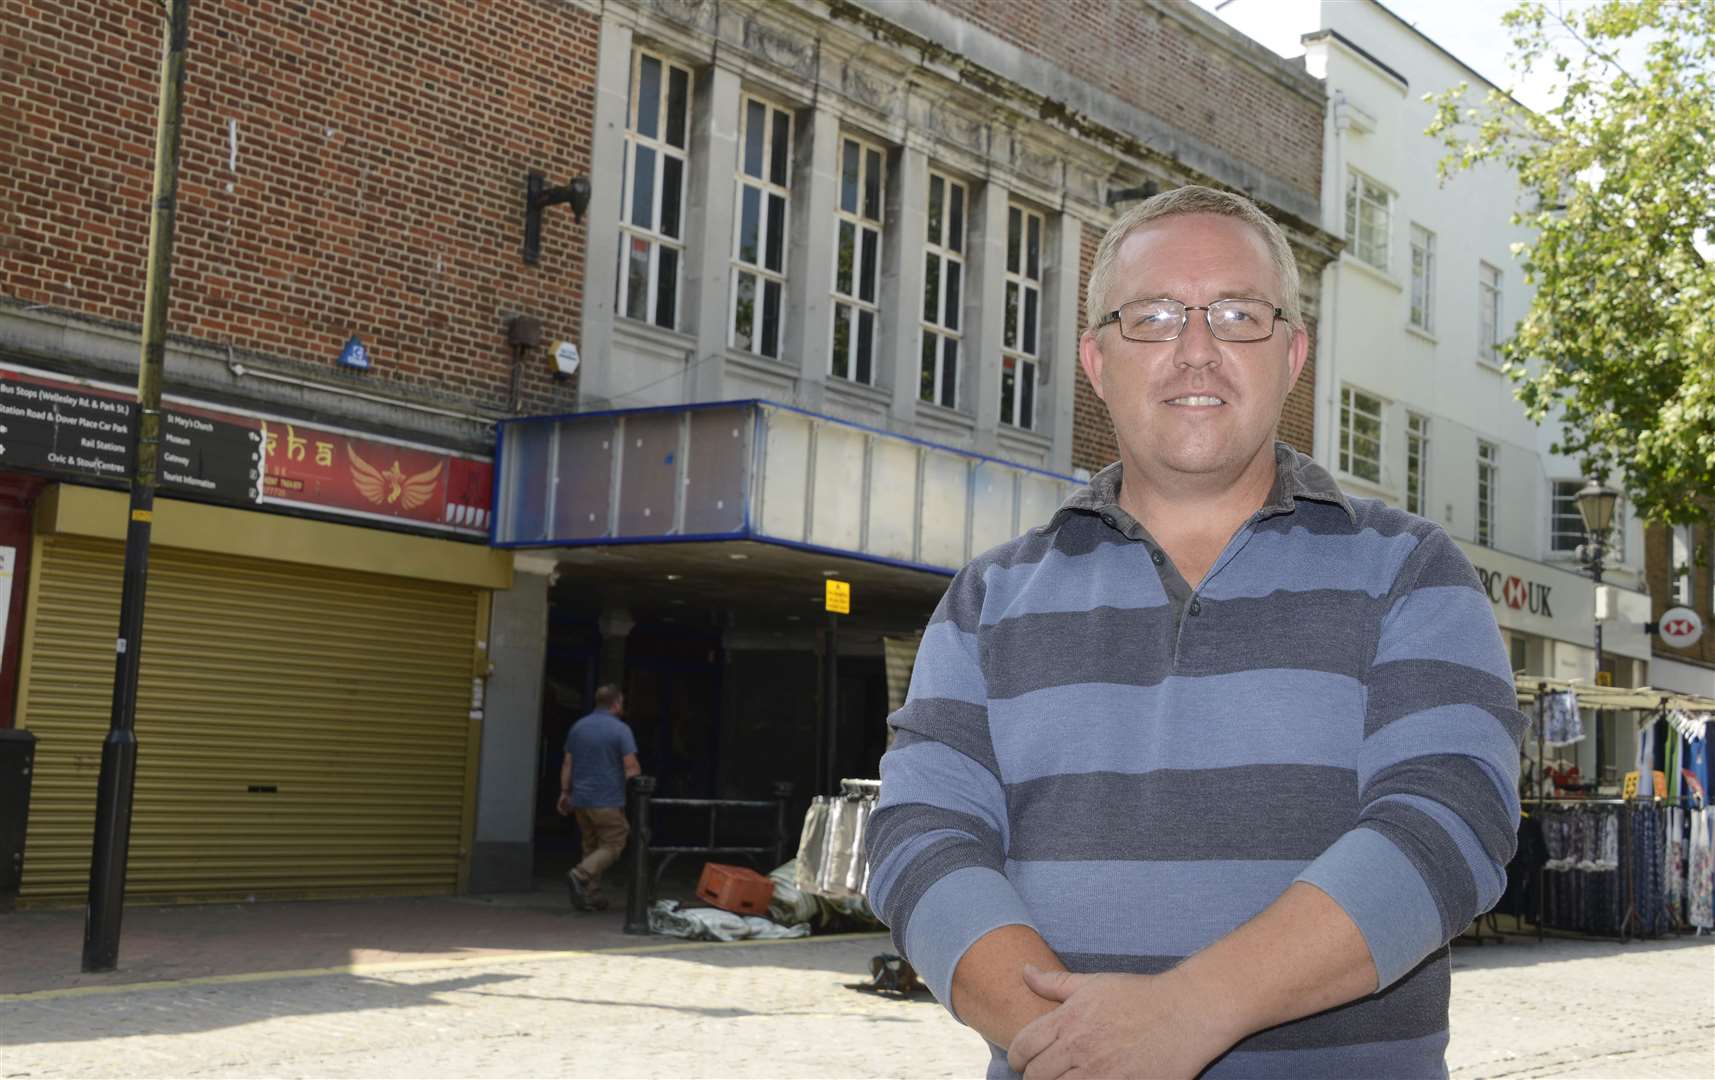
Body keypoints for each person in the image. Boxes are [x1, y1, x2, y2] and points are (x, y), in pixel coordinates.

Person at [865, 185, 1522, 1079]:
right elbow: (919, 839)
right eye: (1155, 316)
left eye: (1237, 314)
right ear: (1096, 360)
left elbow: (1449, 822)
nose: (1196, 350)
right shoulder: (989, 596)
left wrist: (1185, 1015)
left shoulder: (1410, 571)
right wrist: (1079, 1050)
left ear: (1292, 355)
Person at [557, 684, 641, 911]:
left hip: (580, 801)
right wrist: (629, 780)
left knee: (591, 846)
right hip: (607, 800)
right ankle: (580, 874)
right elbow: (631, 767)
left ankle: (591, 895)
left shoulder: (578, 727)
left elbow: (568, 762)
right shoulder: (621, 730)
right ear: (615, 704)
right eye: (622, 703)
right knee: (615, 841)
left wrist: (565, 793)